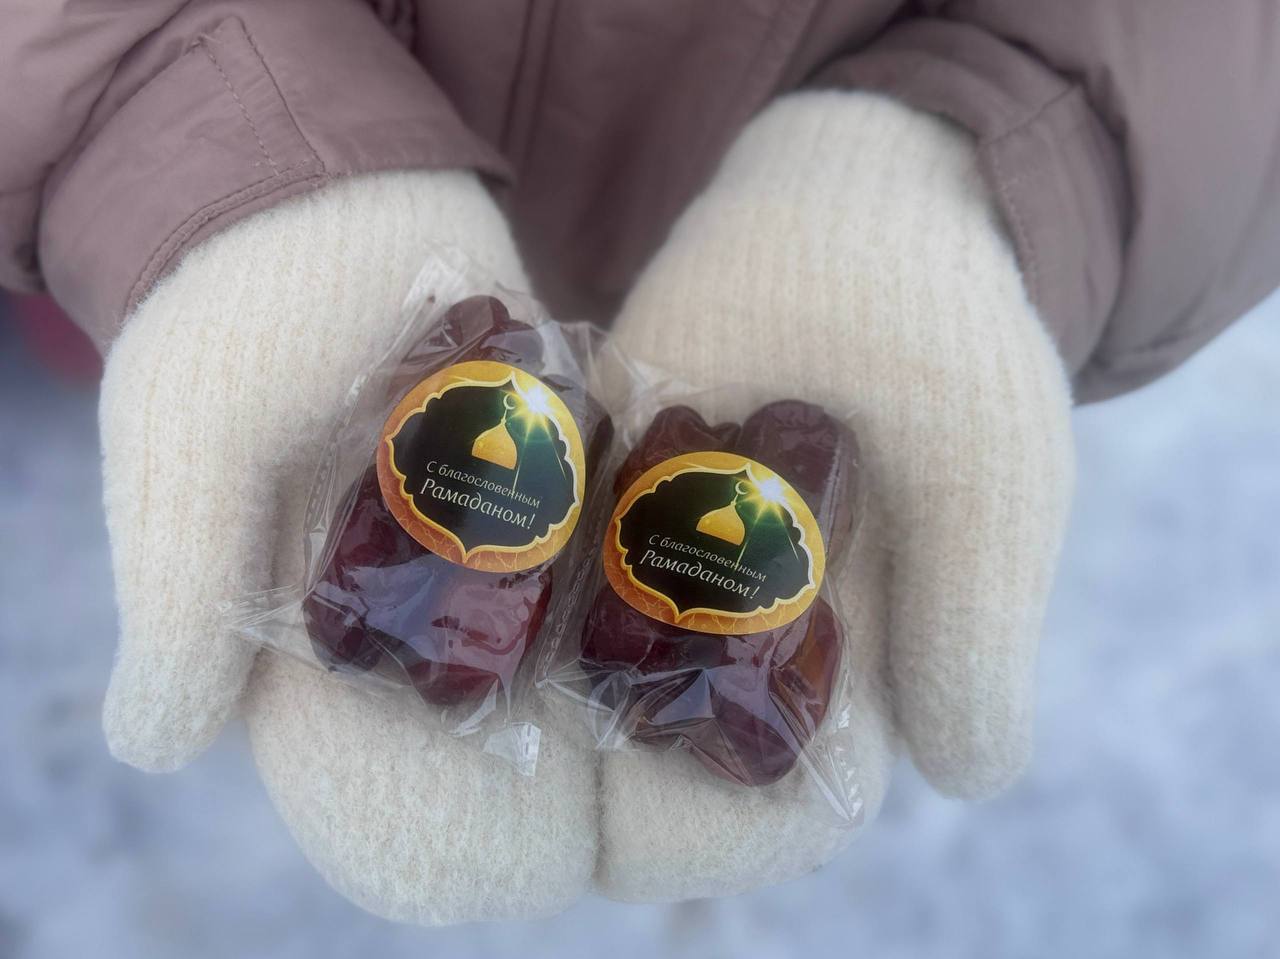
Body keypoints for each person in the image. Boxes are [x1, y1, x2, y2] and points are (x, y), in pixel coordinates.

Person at [3, 1, 1277, 926]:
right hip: (288, 106)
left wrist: (996, 144)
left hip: (792, 166)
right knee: (119, 368)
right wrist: (162, 104)